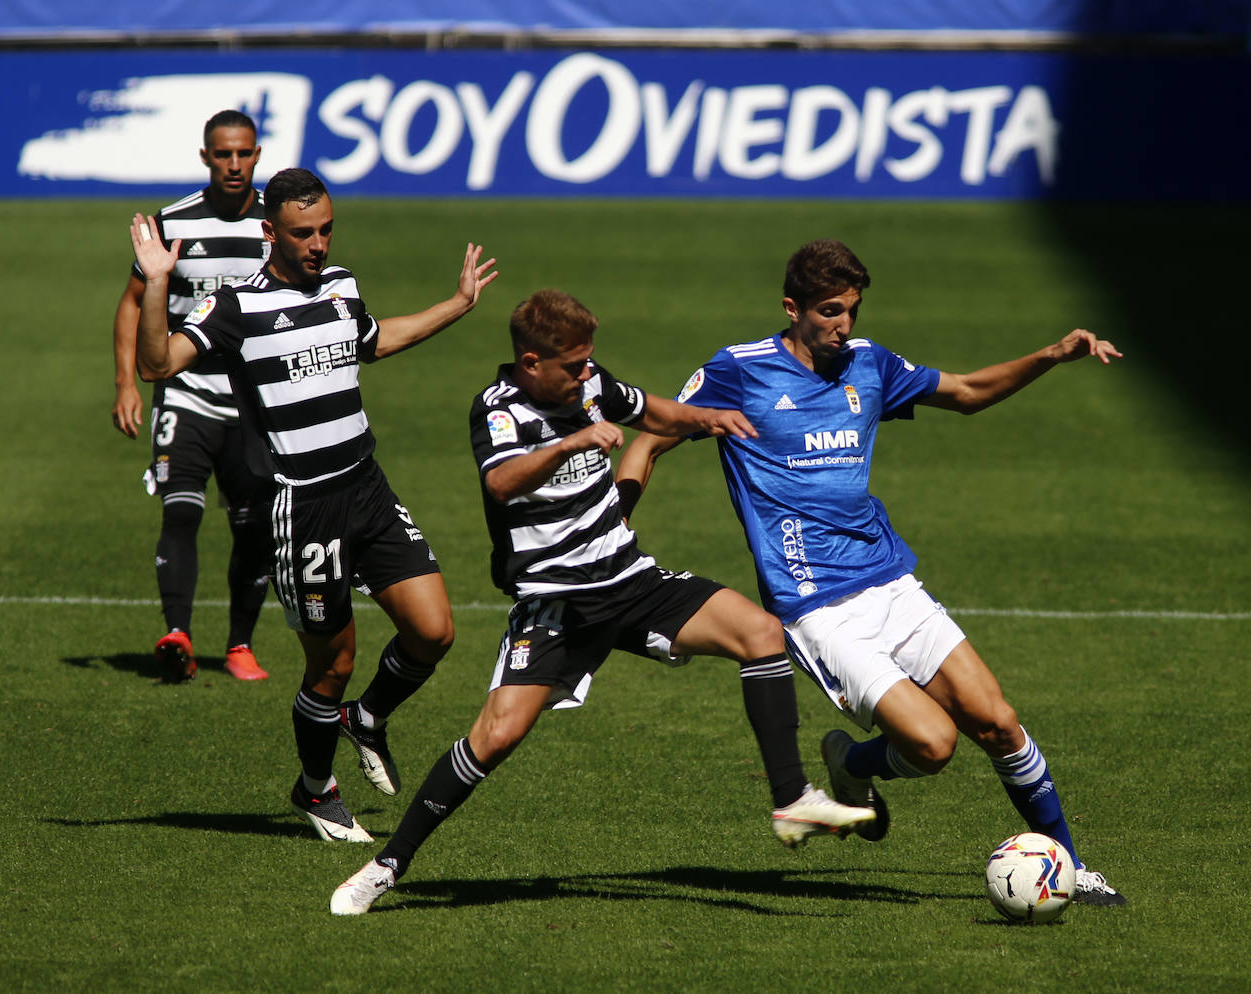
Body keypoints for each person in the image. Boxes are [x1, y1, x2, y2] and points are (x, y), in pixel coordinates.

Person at [615, 239, 1128, 907]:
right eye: (830, 312)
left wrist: (1052, 356)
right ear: (791, 308)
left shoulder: (870, 366)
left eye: (852, 310)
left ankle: (1073, 866)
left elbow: (969, 392)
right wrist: (617, 519)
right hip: (817, 608)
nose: (844, 326)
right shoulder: (738, 372)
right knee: (934, 745)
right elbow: (649, 439)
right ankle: (854, 762)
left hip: (889, 581)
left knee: (1000, 723)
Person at [328, 289, 874, 915]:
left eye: (590, 362)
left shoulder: (589, 385)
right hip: (559, 606)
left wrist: (707, 419)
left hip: (630, 581)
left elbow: (651, 409)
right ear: (532, 363)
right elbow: (501, 482)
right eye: (573, 365)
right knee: (495, 736)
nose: (587, 374)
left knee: (760, 633)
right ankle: (388, 864)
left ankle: (791, 797)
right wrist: (571, 444)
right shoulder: (498, 409)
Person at [128, 167, 499, 843]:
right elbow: (157, 364)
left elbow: (375, 339)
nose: (319, 244)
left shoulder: (341, 285)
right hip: (304, 507)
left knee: (434, 631)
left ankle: (368, 719)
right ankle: (316, 788)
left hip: (369, 487)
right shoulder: (236, 307)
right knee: (333, 663)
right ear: (271, 232)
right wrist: (157, 283)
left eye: (326, 229)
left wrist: (457, 303)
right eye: (304, 233)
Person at [111, 109, 277, 682]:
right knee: (180, 513)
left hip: (254, 409)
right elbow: (133, 300)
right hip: (186, 395)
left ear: (258, 155)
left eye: (244, 153)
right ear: (205, 156)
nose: (234, 164)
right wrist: (127, 383)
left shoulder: (276, 227)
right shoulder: (175, 222)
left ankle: (239, 646)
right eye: (223, 154)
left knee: (254, 529)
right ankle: (177, 633)